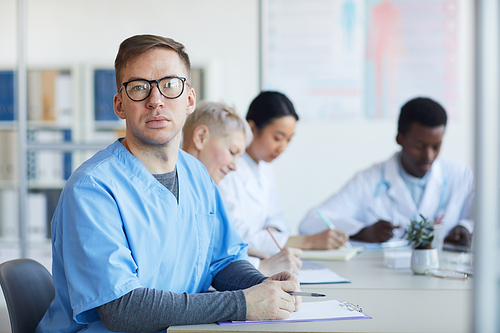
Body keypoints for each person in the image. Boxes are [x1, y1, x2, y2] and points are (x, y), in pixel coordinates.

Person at [36, 35, 301, 333]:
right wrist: (243, 303)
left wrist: (263, 285)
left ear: (189, 100)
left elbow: (223, 260)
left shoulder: (196, 174)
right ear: (120, 105)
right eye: (138, 87)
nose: (155, 100)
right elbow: (121, 309)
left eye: (169, 85)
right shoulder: (92, 188)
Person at [299, 97, 474, 246]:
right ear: (400, 138)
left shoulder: (460, 176)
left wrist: (466, 227)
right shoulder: (369, 180)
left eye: (436, 146)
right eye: (419, 146)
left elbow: (489, 220)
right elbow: (311, 222)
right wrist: (361, 231)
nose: (428, 156)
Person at [217, 91, 349, 270]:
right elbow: (237, 235)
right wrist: (309, 241)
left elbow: (277, 216)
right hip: (243, 266)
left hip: (266, 259)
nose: (283, 147)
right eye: (277, 138)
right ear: (251, 129)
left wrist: (272, 231)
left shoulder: (265, 168)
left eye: (289, 140)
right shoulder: (226, 168)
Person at [182, 100, 302, 276]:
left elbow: (219, 246)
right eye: (232, 152)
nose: (235, 167)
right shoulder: (178, 189)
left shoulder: (204, 190)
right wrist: (259, 266)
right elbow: (189, 263)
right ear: (201, 137)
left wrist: (244, 254)